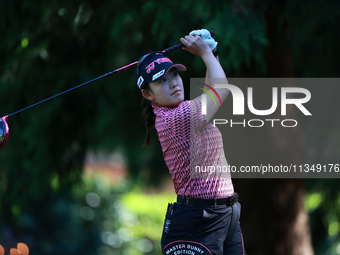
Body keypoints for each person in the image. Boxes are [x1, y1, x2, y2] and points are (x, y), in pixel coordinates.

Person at [135, 29, 246, 255]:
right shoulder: (176, 118)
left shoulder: (184, 112)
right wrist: (205, 52)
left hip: (226, 214)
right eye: (162, 81)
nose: (174, 83)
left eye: (174, 75)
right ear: (148, 94)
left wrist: (212, 53)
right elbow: (220, 90)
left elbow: (211, 87)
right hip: (198, 222)